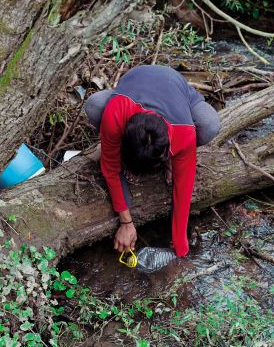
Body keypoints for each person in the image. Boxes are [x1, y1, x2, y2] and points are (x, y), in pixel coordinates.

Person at [83, 65, 220, 257]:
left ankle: (173, 159)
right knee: (95, 105)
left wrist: (180, 245)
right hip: (136, 82)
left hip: (174, 85)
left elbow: (183, 187)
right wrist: (126, 222)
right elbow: (110, 169)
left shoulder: (185, 132)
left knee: (209, 125)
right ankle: (127, 150)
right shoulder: (116, 112)